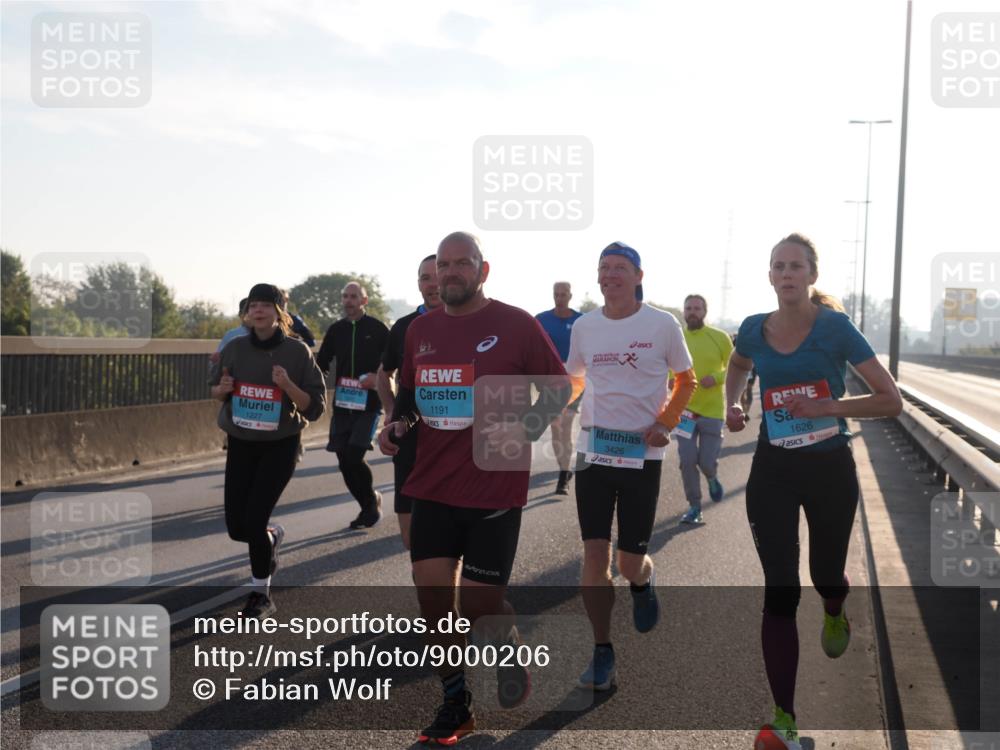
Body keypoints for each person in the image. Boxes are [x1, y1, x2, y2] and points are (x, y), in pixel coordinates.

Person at [377, 231, 571, 745]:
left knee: (480, 607)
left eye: (463, 263)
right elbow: (415, 399)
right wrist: (396, 427)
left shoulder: (515, 324)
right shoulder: (422, 331)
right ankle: (456, 704)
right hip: (433, 485)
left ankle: (506, 644)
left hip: (494, 487)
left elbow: (560, 386)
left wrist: (527, 426)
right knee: (435, 599)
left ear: (483, 271)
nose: (452, 272)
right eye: (444, 264)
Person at [724, 233, 901, 750]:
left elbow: (889, 401)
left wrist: (828, 408)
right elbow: (738, 364)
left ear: (811, 275)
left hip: (829, 468)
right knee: (779, 589)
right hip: (772, 470)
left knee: (825, 574)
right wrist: (734, 405)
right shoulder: (754, 330)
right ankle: (784, 719)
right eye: (778, 265)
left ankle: (834, 606)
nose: (786, 273)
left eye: (795, 266)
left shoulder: (836, 329)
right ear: (771, 275)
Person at [564, 242, 697, 691]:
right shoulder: (584, 326)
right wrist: (547, 408)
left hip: (643, 454)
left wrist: (666, 421)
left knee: (627, 562)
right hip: (594, 453)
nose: (610, 274)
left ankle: (644, 579)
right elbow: (576, 376)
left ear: (639, 276)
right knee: (595, 554)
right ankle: (602, 650)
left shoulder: (661, 324)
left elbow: (686, 379)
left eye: (620, 268)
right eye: (603, 267)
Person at [210, 283, 327, 618]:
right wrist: (223, 389)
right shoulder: (234, 348)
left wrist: (288, 385)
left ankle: (260, 594)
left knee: (255, 517)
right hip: (242, 443)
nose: (257, 310)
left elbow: (315, 408)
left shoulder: (297, 352)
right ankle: (271, 537)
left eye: (265, 305)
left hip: (280, 445)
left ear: (279, 313)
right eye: (252, 305)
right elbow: (217, 391)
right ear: (246, 313)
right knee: (238, 528)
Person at [376, 254, 441, 549]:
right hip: (408, 435)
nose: (433, 284)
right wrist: (391, 410)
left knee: (446, 537)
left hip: (455, 439)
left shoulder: (471, 324)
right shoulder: (404, 326)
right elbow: (383, 373)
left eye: (437, 275)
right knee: (411, 538)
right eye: (425, 278)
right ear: (418, 284)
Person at [316, 282, 390, 529]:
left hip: (369, 404)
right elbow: (321, 362)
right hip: (343, 405)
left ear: (364, 300)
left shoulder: (378, 329)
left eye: (354, 296)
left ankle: (370, 503)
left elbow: (393, 363)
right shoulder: (337, 329)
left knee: (354, 456)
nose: (348, 300)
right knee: (343, 462)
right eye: (345, 296)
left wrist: (377, 376)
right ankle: (369, 503)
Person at [674, 294, 734, 524]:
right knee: (687, 460)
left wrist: (717, 377)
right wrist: (671, 379)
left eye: (697, 308)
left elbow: (736, 368)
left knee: (706, 462)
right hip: (685, 411)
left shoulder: (720, 337)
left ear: (705, 311)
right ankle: (695, 507)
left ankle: (712, 476)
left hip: (711, 411)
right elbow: (670, 366)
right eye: (688, 308)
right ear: (684, 311)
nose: (692, 312)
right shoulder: (677, 338)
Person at [536, 281, 584, 495]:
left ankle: (563, 476)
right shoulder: (542, 320)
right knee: (556, 427)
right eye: (556, 294)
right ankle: (563, 469)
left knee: (566, 424)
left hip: (576, 381)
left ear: (570, 296)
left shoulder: (580, 321)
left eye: (563, 294)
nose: (560, 298)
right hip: (551, 381)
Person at [210, 298, 249, 365]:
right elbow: (216, 363)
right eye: (247, 312)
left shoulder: (265, 335)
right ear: (240, 315)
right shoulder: (231, 335)